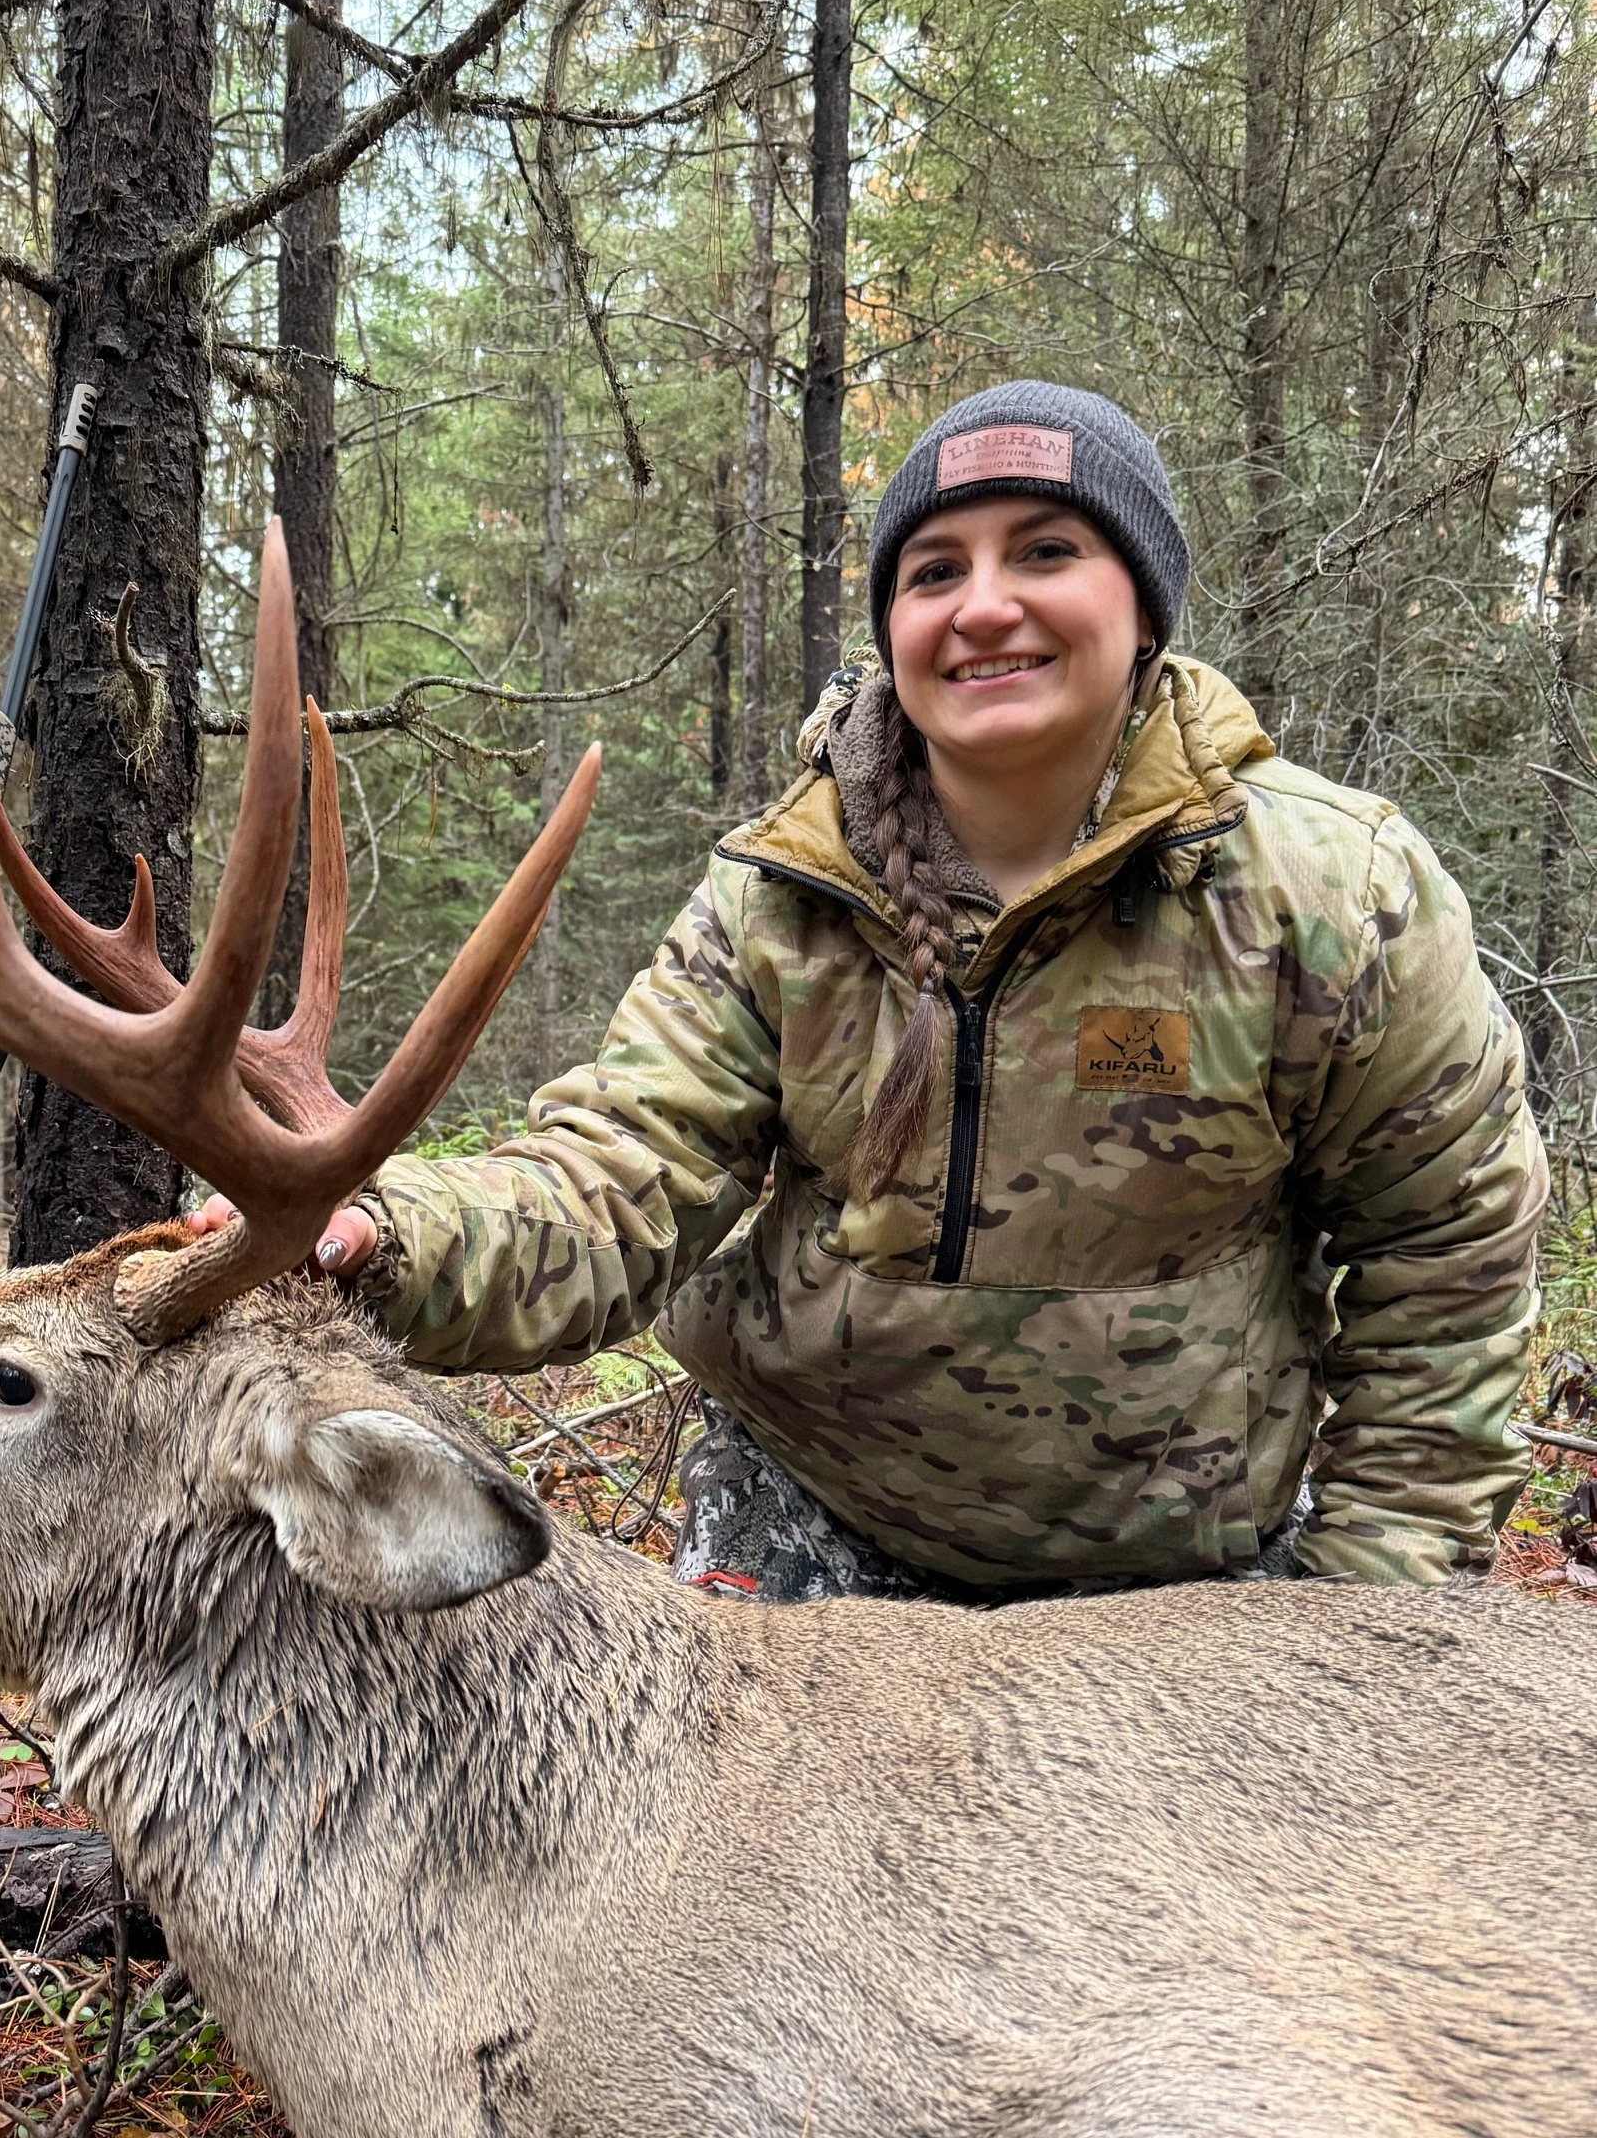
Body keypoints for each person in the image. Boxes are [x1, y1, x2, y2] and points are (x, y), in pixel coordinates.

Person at [205, 381, 1548, 1602]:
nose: (981, 605)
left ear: (1142, 603)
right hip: (819, 1527)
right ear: (892, 630)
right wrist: (379, 1231)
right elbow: (616, 1177)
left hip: (1185, 1578)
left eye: (1045, 550)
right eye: (931, 571)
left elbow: (1448, 1257)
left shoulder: (1328, 892)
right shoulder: (782, 894)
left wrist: (1365, 1604)